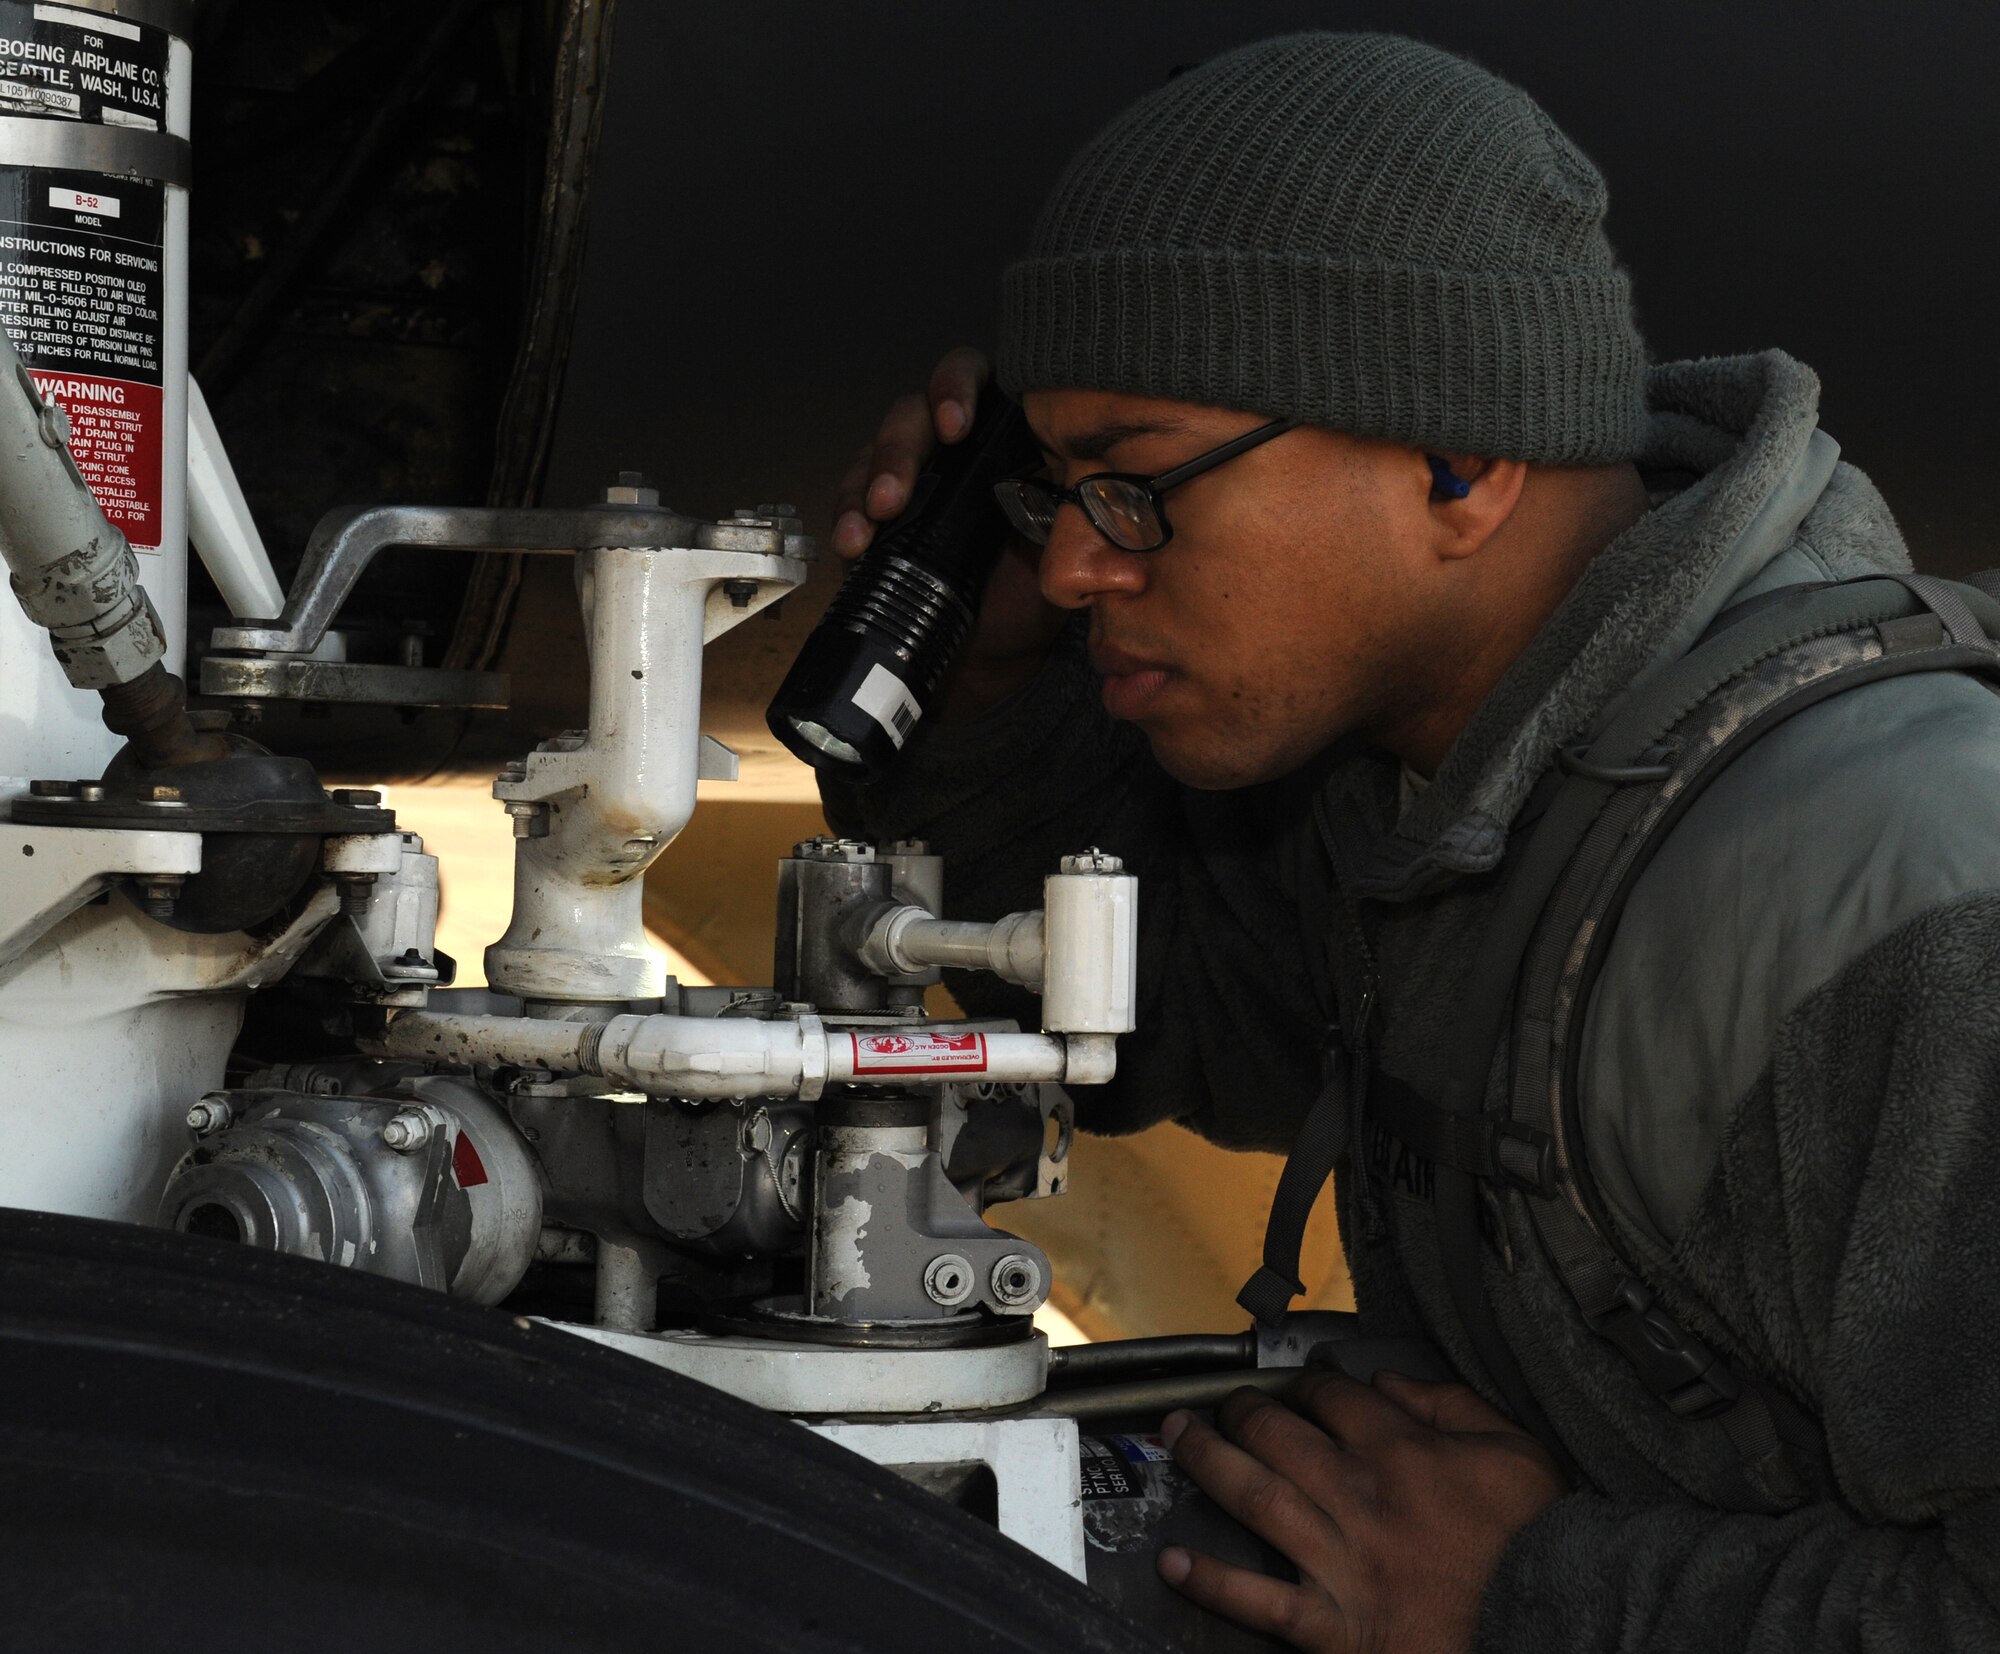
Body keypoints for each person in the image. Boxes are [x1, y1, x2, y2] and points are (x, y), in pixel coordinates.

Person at [818, 31, 2000, 1654]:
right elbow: (1132, 1012)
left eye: (1137, 486)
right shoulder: (1416, 772)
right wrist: (988, 682)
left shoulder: (1894, 901)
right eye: (1053, 494)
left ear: (1461, 462)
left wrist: (1529, 1608)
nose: (1086, 566)